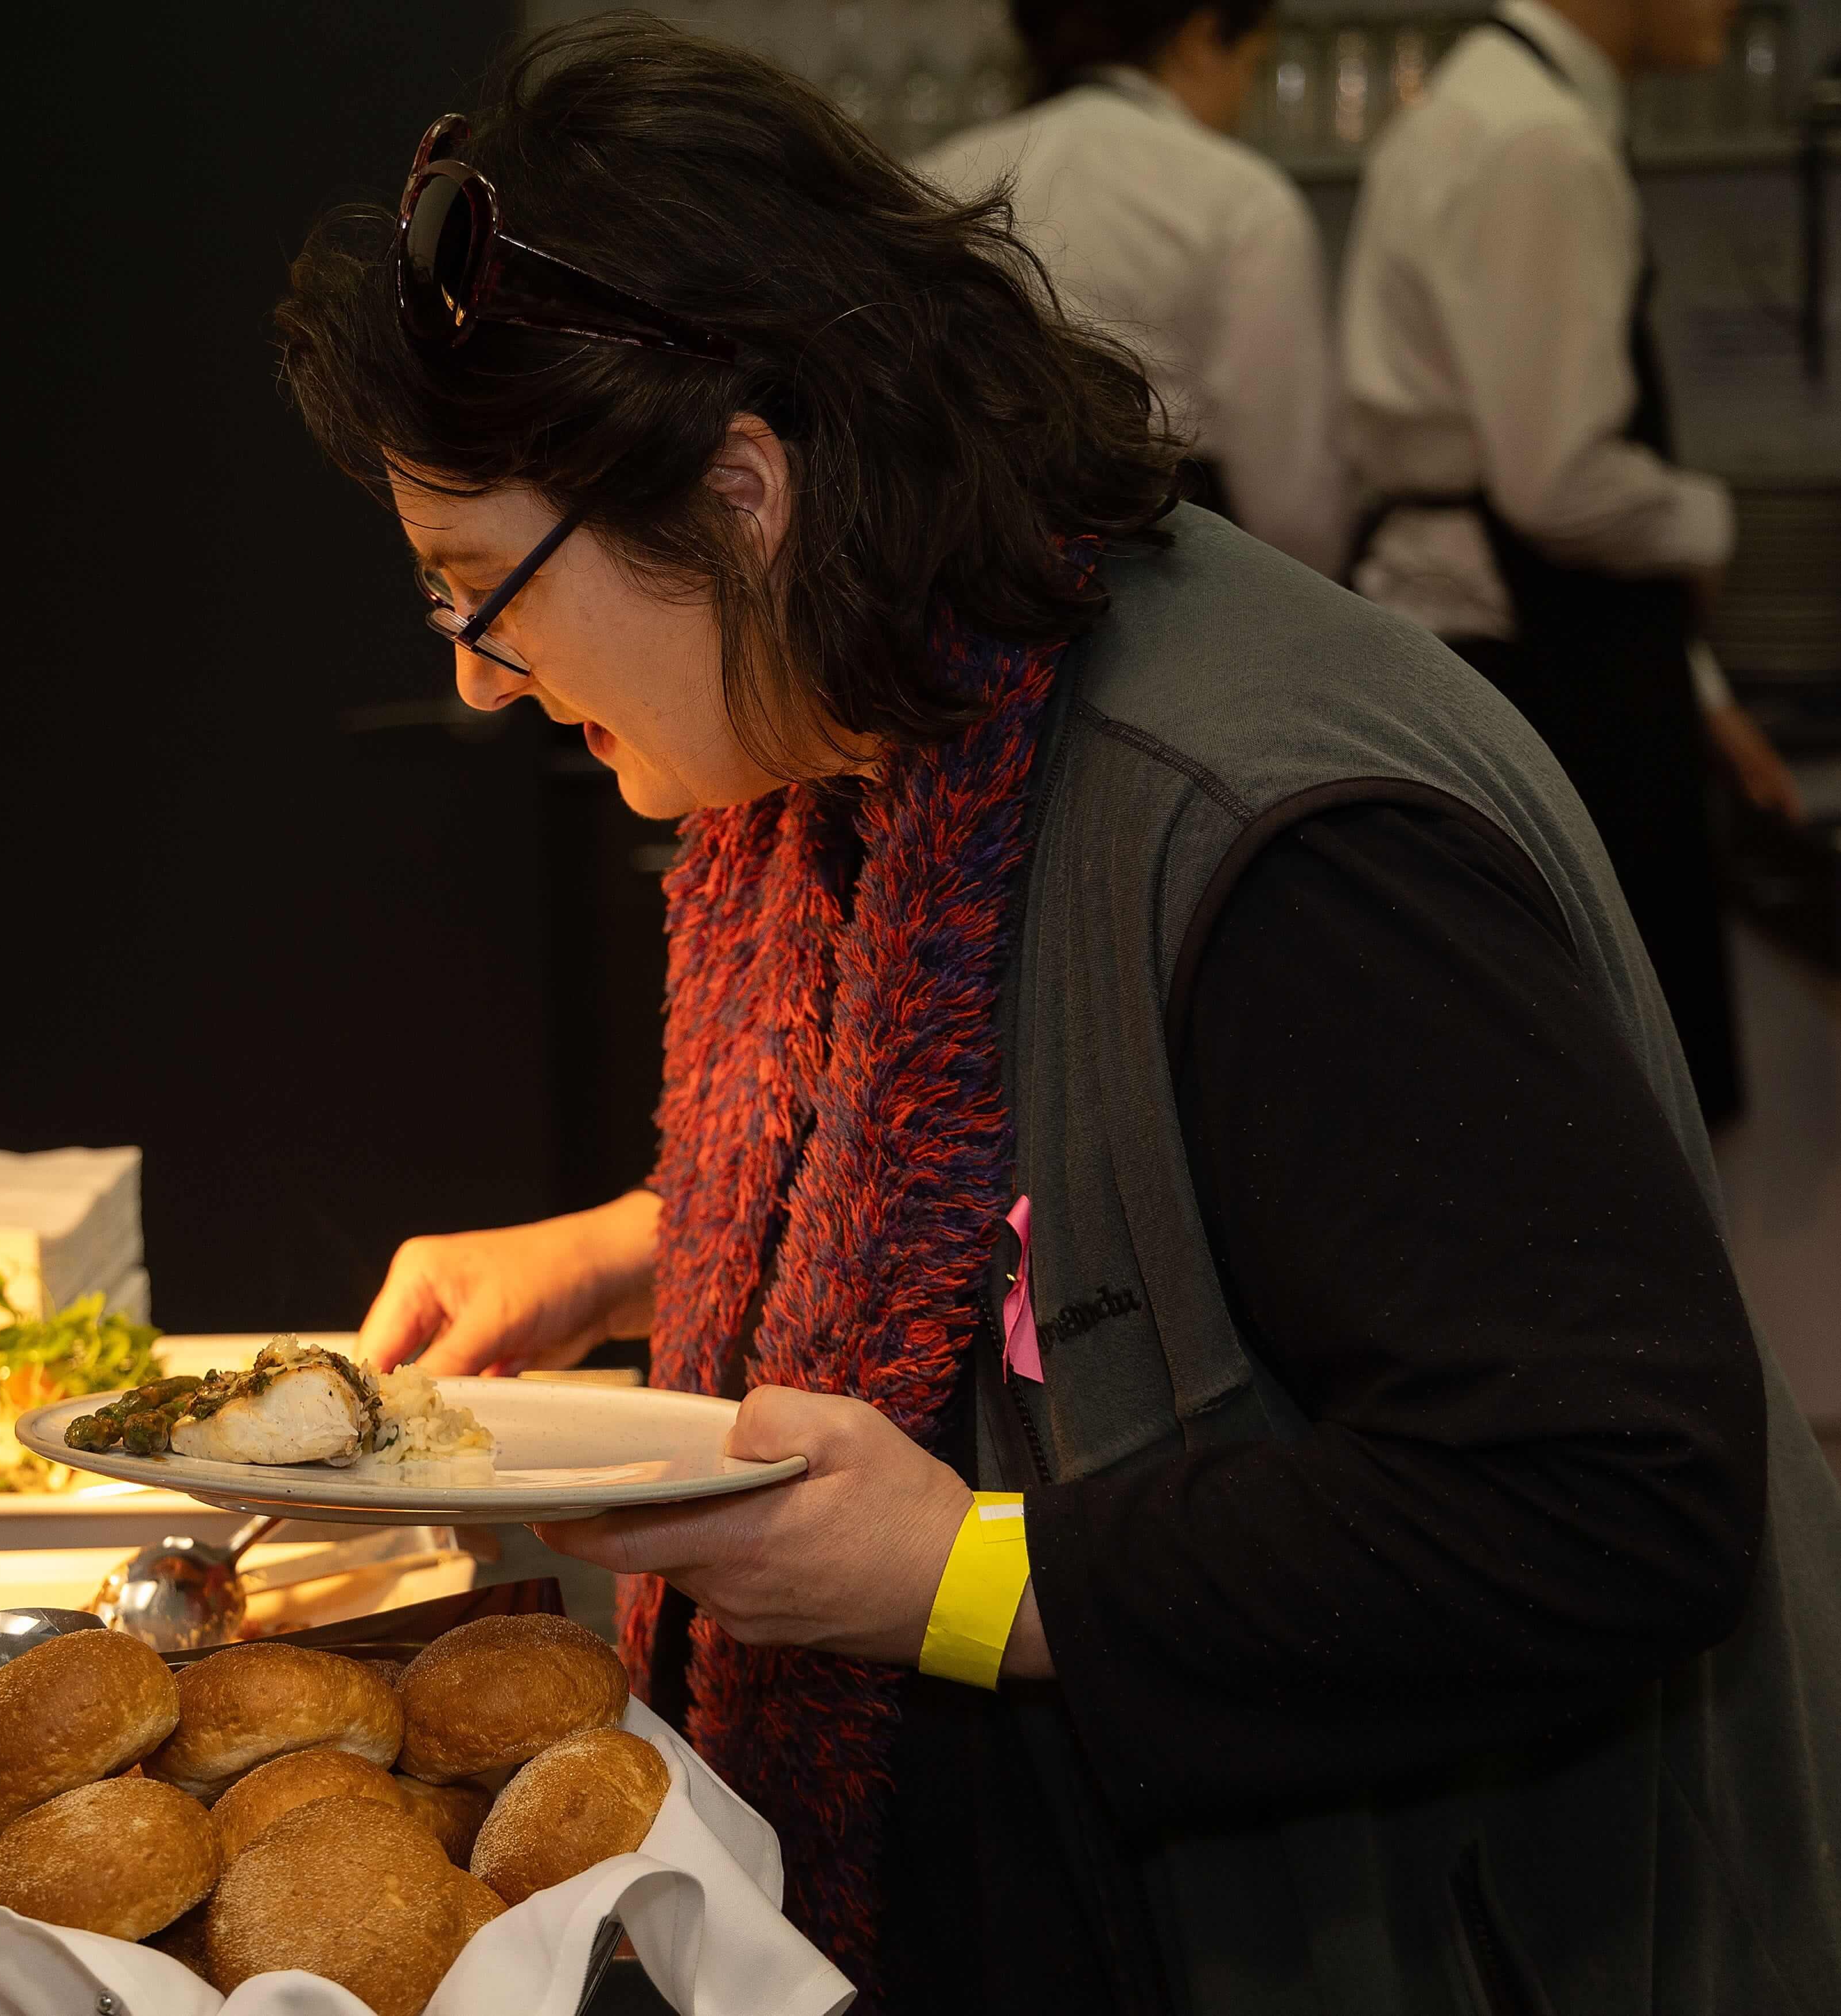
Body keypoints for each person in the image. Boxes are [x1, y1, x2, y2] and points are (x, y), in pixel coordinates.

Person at [278, 15, 1841, 2010]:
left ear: (741, 494)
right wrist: (621, 1251)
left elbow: (1609, 1499)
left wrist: (963, 1575)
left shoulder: (1276, 838)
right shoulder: (898, 712)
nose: (488, 680)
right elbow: (1056, 1170)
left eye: (485, 587)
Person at [1339, 0, 1799, 1129]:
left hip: (1511, 642)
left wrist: (1693, 688)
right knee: (1603, 1106)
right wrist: (1707, 521)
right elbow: (1555, 486)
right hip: (1534, 669)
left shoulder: (1485, 109)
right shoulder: (1534, 140)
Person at [919, 1, 1349, 576]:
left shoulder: (927, 180)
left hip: (969, 580)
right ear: (1200, 37)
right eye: (1252, 64)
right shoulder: (1240, 199)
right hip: (1173, 591)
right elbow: (1290, 501)